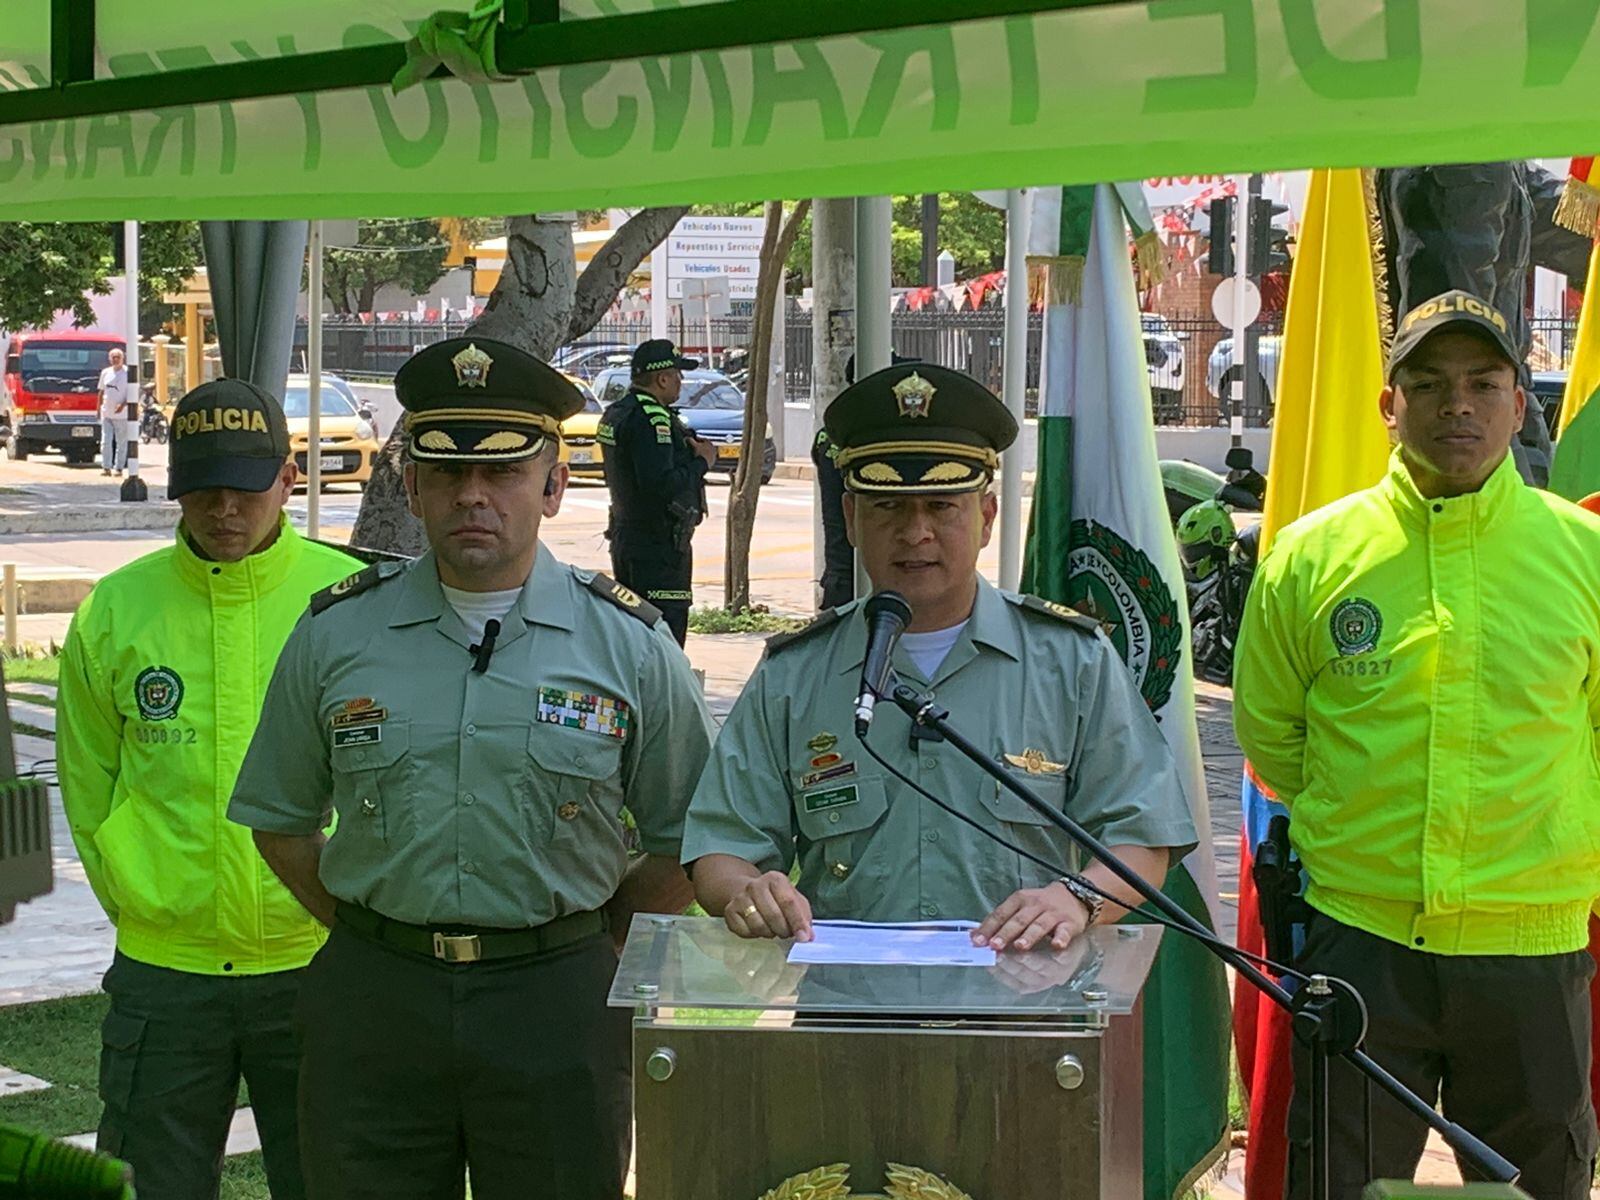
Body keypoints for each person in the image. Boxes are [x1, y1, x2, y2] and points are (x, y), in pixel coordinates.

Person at [228, 337, 715, 1200]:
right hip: (377, 999)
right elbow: (282, 819)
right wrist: (378, 928)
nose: (474, 497)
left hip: (556, 1000)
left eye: (504, 473)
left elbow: (687, 837)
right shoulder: (338, 634)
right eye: (446, 474)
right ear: (411, 485)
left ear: (555, 485)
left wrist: (581, 935)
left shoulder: (629, 646)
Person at [1234, 290, 1600, 1200]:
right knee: (1338, 1184)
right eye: (1428, 383)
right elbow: (1273, 733)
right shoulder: (1312, 558)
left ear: (1522, 404)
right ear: (1387, 404)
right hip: (1362, 947)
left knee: (1537, 1187)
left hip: (1533, 948)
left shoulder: (1583, 555)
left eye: (1484, 382)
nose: (1458, 405)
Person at [681, 362, 1197, 952]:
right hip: (850, 1015)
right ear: (851, 519)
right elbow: (720, 847)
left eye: (942, 506)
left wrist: (1075, 898)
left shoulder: (1071, 662)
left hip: (1021, 1009)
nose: (915, 532)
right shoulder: (795, 674)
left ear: (985, 518)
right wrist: (751, 890)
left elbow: (1144, 838)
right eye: (889, 508)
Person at [56, 378, 357, 1200]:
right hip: (166, 969)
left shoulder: (348, 605)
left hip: (319, 958)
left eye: (246, 487)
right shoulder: (117, 610)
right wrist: (139, 893)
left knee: (334, 1178)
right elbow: (89, 788)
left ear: (289, 478)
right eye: (202, 489)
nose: (225, 509)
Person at [597, 338, 716, 645]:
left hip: (628, 539)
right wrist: (703, 462)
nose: (681, 381)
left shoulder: (617, 412)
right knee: (664, 639)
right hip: (659, 548)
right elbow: (661, 484)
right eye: (677, 374)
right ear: (662, 378)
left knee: (635, 633)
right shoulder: (653, 419)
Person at [97, 346, 128, 476]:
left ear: (122, 358)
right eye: (113, 357)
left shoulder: (128, 372)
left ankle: (119, 467)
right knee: (106, 441)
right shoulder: (106, 372)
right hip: (107, 413)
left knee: (121, 442)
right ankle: (106, 467)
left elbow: (133, 393)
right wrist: (98, 408)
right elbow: (101, 391)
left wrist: (123, 405)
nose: (115, 360)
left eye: (118, 357)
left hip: (122, 415)